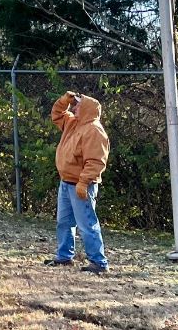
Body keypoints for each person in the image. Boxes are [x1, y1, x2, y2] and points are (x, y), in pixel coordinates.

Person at [45, 91, 110, 273]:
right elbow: (57, 115)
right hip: (66, 183)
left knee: (87, 225)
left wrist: (83, 182)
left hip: (81, 185)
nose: (75, 107)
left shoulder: (94, 130)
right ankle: (64, 257)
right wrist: (63, 100)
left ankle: (99, 262)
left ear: (88, 109)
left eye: (78, 105)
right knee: (64, 223)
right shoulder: (73, 123)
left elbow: (96, 161)